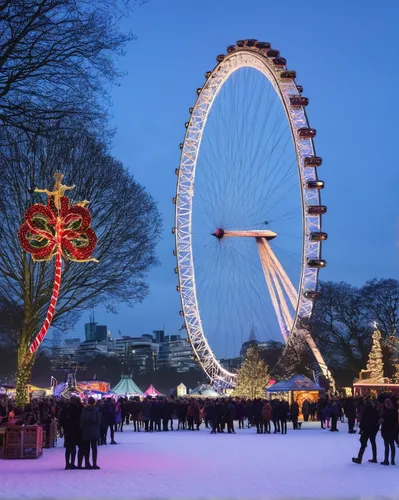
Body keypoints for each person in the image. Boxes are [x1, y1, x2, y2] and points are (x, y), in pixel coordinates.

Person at [352, 397, 379, 464]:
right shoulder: (374, 409)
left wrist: (361, 428)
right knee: (373, 443)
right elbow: (377, 418)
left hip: (366, 429)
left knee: (363, 444)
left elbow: (363, 419)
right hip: (373, 428)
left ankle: (359, 458)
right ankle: (374, 457)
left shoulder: (365, 409)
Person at [59, 396, 82, 469]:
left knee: (68, 448)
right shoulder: (77, 408)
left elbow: (61, 418)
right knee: (73, 447)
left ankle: (67, 463)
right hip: (75, 430)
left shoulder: (65, 408)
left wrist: (63, 426)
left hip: (67, 430)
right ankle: (72, 463)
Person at [80, 397, 101, 469]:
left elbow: (81, 421)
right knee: (94, 448)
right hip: (94, 430)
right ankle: (94, 463)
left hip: (86, 431)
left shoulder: (84, 410)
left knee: (87, 448)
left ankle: (87, 463)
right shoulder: (96, 410)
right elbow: (98, 421)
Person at [380, 398, 396, 466]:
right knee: (392, 445)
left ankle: (386, 460)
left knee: (387, 446)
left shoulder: (385, 412)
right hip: (392, 430)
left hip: (386, 430)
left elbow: (382, 421)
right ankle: (392, 460)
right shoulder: (394, 412)